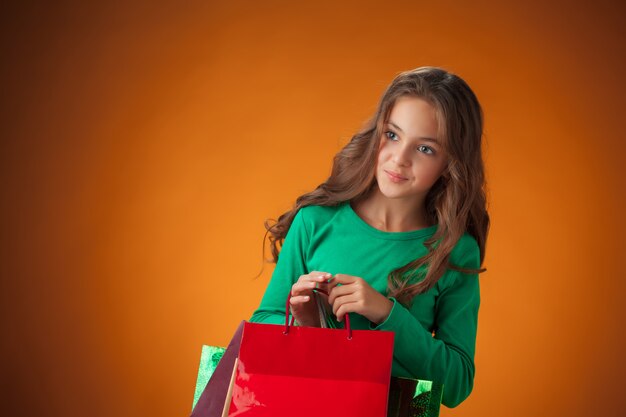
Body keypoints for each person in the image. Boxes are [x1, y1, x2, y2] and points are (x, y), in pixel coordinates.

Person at [249, 66, 489, 410]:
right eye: (392, 135)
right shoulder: (316, 221)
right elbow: (262, 324)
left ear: (450, 163)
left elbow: (456, 385)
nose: (399, 158)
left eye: (425, 149)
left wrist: (386, 313)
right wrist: (308, 325)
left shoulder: (454, 251)